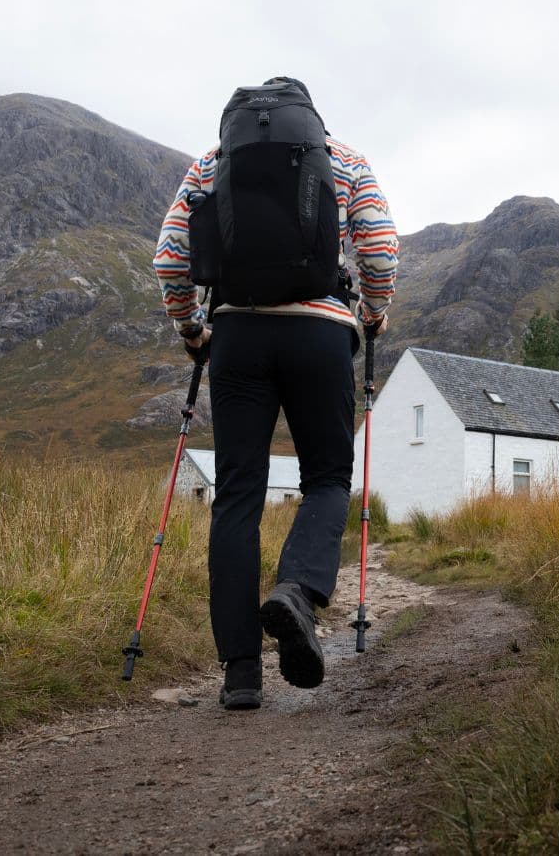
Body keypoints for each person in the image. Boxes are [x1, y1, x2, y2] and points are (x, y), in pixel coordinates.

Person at [152, 76, 398, 710]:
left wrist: (191, 329)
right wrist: (373, 311)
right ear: (309, 116)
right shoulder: (344, 159)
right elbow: (379, 246)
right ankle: (297, 590)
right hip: (320, 335)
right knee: (324, 478)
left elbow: (170, 257)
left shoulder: (210, 164)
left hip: (236, 335)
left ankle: (240, 673)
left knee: (237, 493)